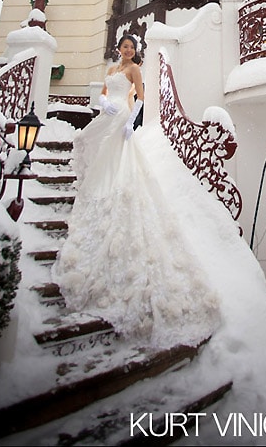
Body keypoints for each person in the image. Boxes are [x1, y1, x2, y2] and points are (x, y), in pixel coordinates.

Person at [52, 34, 219, 350]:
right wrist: (103, 102)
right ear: (119, 49)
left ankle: (113, 187)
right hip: (108, 113)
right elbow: (104, 91)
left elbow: (141, 97)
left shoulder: (134, 70)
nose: (127, 51)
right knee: (88, 142)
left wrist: (132, 119)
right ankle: (100, 184)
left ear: (134, 51)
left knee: (115, 154)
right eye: (124, 47)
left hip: (122, 117)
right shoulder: (114, 67)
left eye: (131, 48)